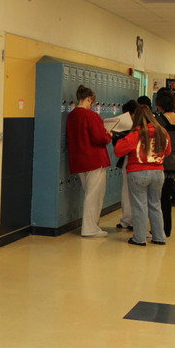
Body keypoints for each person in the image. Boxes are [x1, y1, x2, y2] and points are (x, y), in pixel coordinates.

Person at [114, 104, 171, 246]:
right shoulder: (162, 131)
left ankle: (139, 238)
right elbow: (168, 151)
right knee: (155, 205)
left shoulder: (136, 133)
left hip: (138, 172)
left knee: (140, 206)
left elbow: (118, 150)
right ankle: (159, 237)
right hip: (158, 172)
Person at [65, 84, 112, 237]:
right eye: (92, 102)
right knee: (94, 195)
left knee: (89, 193)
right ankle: (90, 228)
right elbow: (100, 137)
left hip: (79, 160)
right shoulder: (90, 116)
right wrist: (109, 134)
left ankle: (89, 226)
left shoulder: (71, 116)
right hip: (95, 159)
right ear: (89, 99)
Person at [154, 90, 175, 236]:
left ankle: (160, 229)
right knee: (167, 197)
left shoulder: (161, 120)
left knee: (159, 199)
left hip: (164, 160)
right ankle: (167, 228)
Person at [112, 99, 137, 231]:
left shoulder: (139, 127)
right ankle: (127, 219)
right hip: (127, 159)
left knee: (133, 192)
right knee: (126, 191)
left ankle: (133, 220)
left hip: (135, 161)